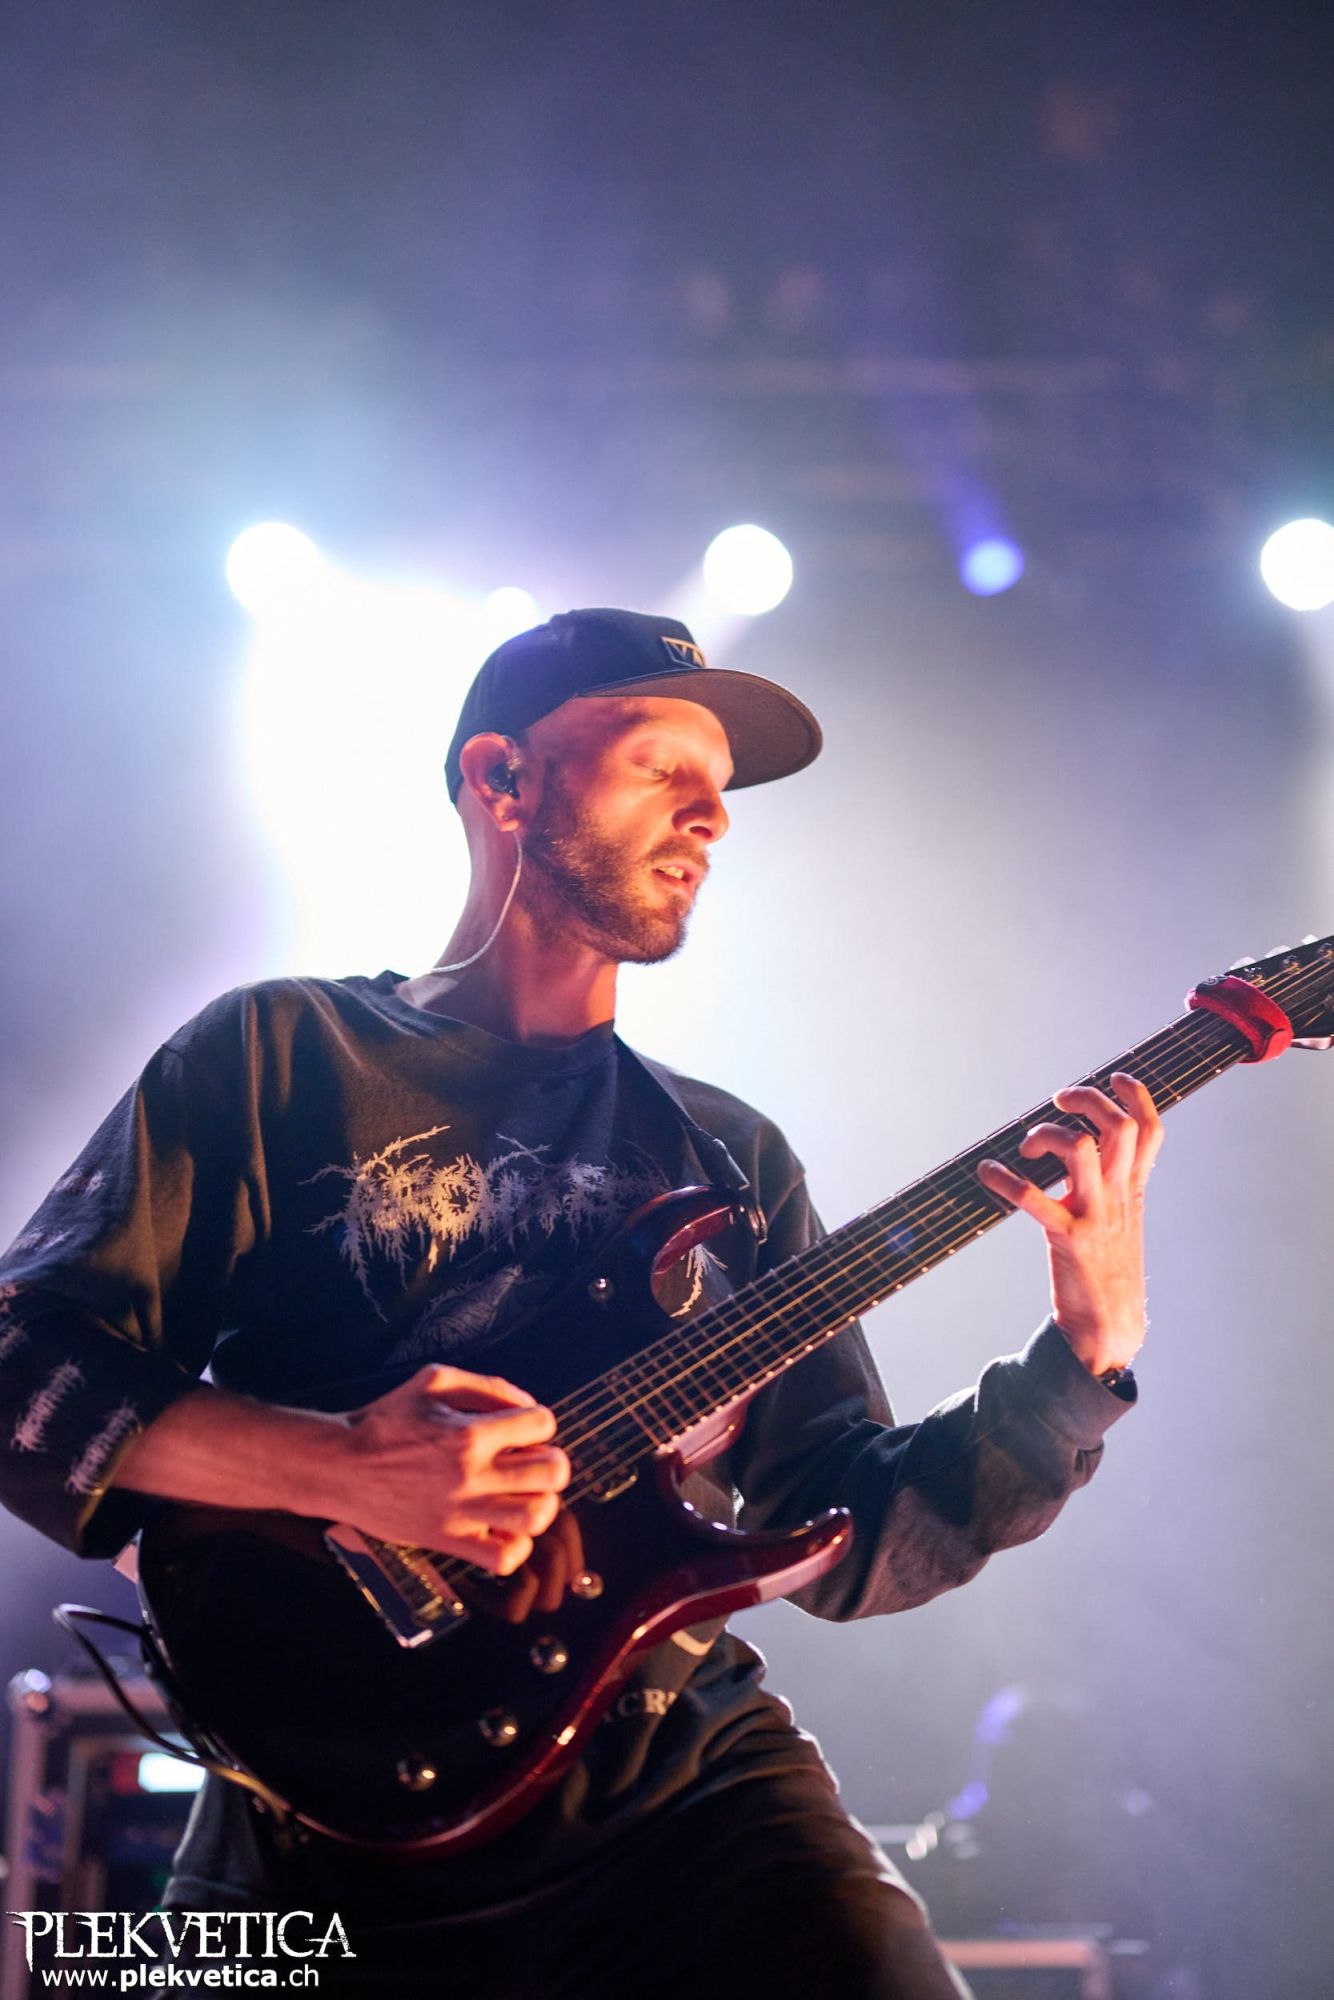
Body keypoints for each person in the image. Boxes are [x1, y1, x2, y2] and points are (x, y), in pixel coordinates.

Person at [0, 608, 1162, 1998]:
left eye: (719, 791)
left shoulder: (728, 1158)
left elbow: (856, 1534)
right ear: (502, 779)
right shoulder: (282, 1051)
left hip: (676, 1792)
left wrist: (1083, 1357)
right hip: (321, 1798)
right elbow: (21, 1369)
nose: (709, 817)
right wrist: (341, 1467)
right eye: (659, 765)